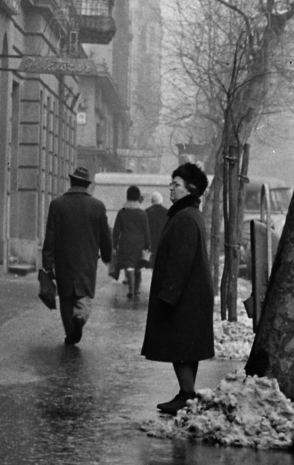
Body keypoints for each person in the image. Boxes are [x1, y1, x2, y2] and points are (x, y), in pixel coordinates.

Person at [142, 163, 216, 416]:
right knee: (185, 346)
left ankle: (186, 394)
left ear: (190, 189)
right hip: (191, 293)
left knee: (180, 345)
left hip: (185, 295)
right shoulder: (189, 214)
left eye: (176, 185)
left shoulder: (184, 217)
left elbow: (180, 260)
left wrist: (168, 294)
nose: (170, 188)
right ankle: (186, 392)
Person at [41, 165, 112, 346]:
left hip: (63, 260)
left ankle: (70, 332)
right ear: (87, 185)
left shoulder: (57, 204)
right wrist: (106, 255)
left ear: (71, 181)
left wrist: (48, 263)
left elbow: (50, 236)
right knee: (85, 295)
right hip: (87, 261)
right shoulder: (98, 206)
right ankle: (80, 316)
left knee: (66, 297)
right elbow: (105, 236)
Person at [109, 184, 151, 299]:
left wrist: (114, 244)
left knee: (129, 265)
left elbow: (116, 231)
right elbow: (146, 230)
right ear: (138, 197)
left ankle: (131, 290)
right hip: (139, 243)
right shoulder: (142, 213)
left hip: (126, 242)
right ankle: (136, 289)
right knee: (137, 266)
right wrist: (148, 245)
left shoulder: (122, 212)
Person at [145, 190, 169, 263]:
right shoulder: (167, 212)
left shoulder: (147, 211)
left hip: (151, 240)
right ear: (161, 200)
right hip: (162, 240)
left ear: (152, 201)